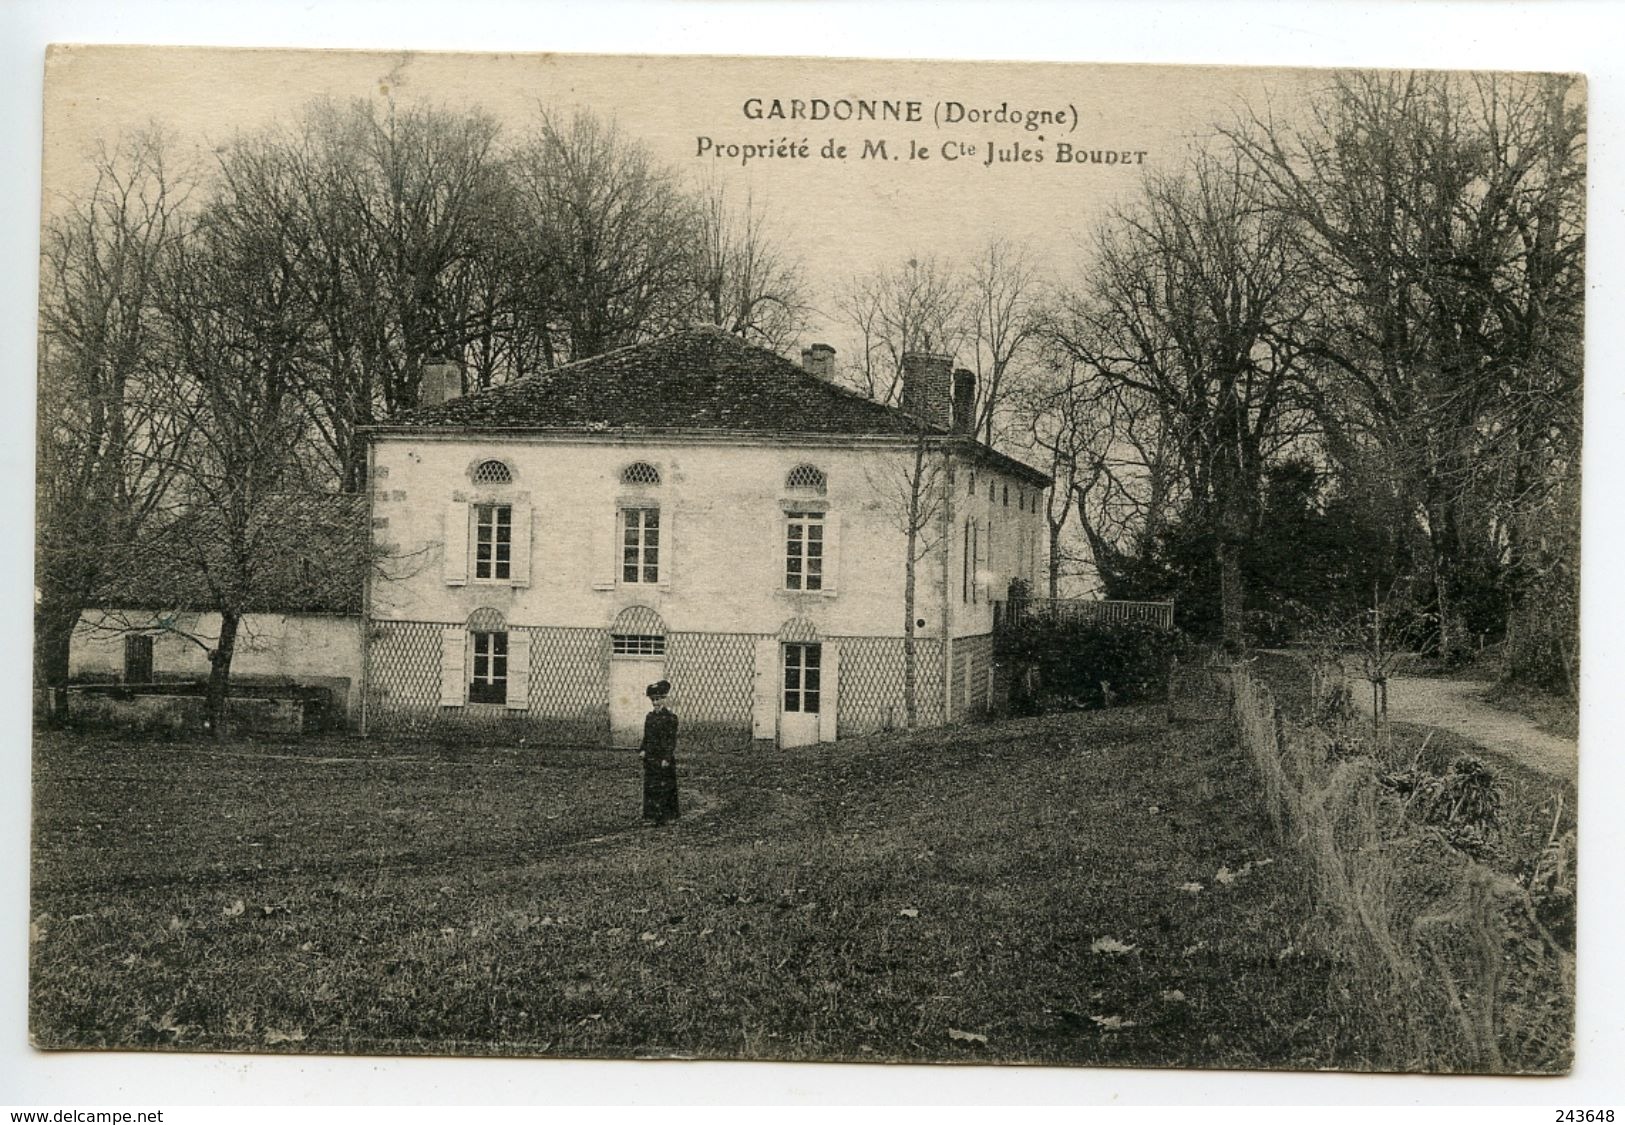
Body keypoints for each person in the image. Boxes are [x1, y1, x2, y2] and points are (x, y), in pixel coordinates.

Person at [639, 680, 680, 824]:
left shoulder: (670, 718)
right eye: (653, 700)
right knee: (651, 785)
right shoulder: (649, 717)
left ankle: (668, 815)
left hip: (663, 757)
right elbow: (646, 736)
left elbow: (671, 741)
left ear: (664, 699)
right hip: (651, 757)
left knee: (666, 785)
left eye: (658, 699)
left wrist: (667, 758)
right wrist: (643, 749)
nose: (655, 703)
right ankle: (650, 815)